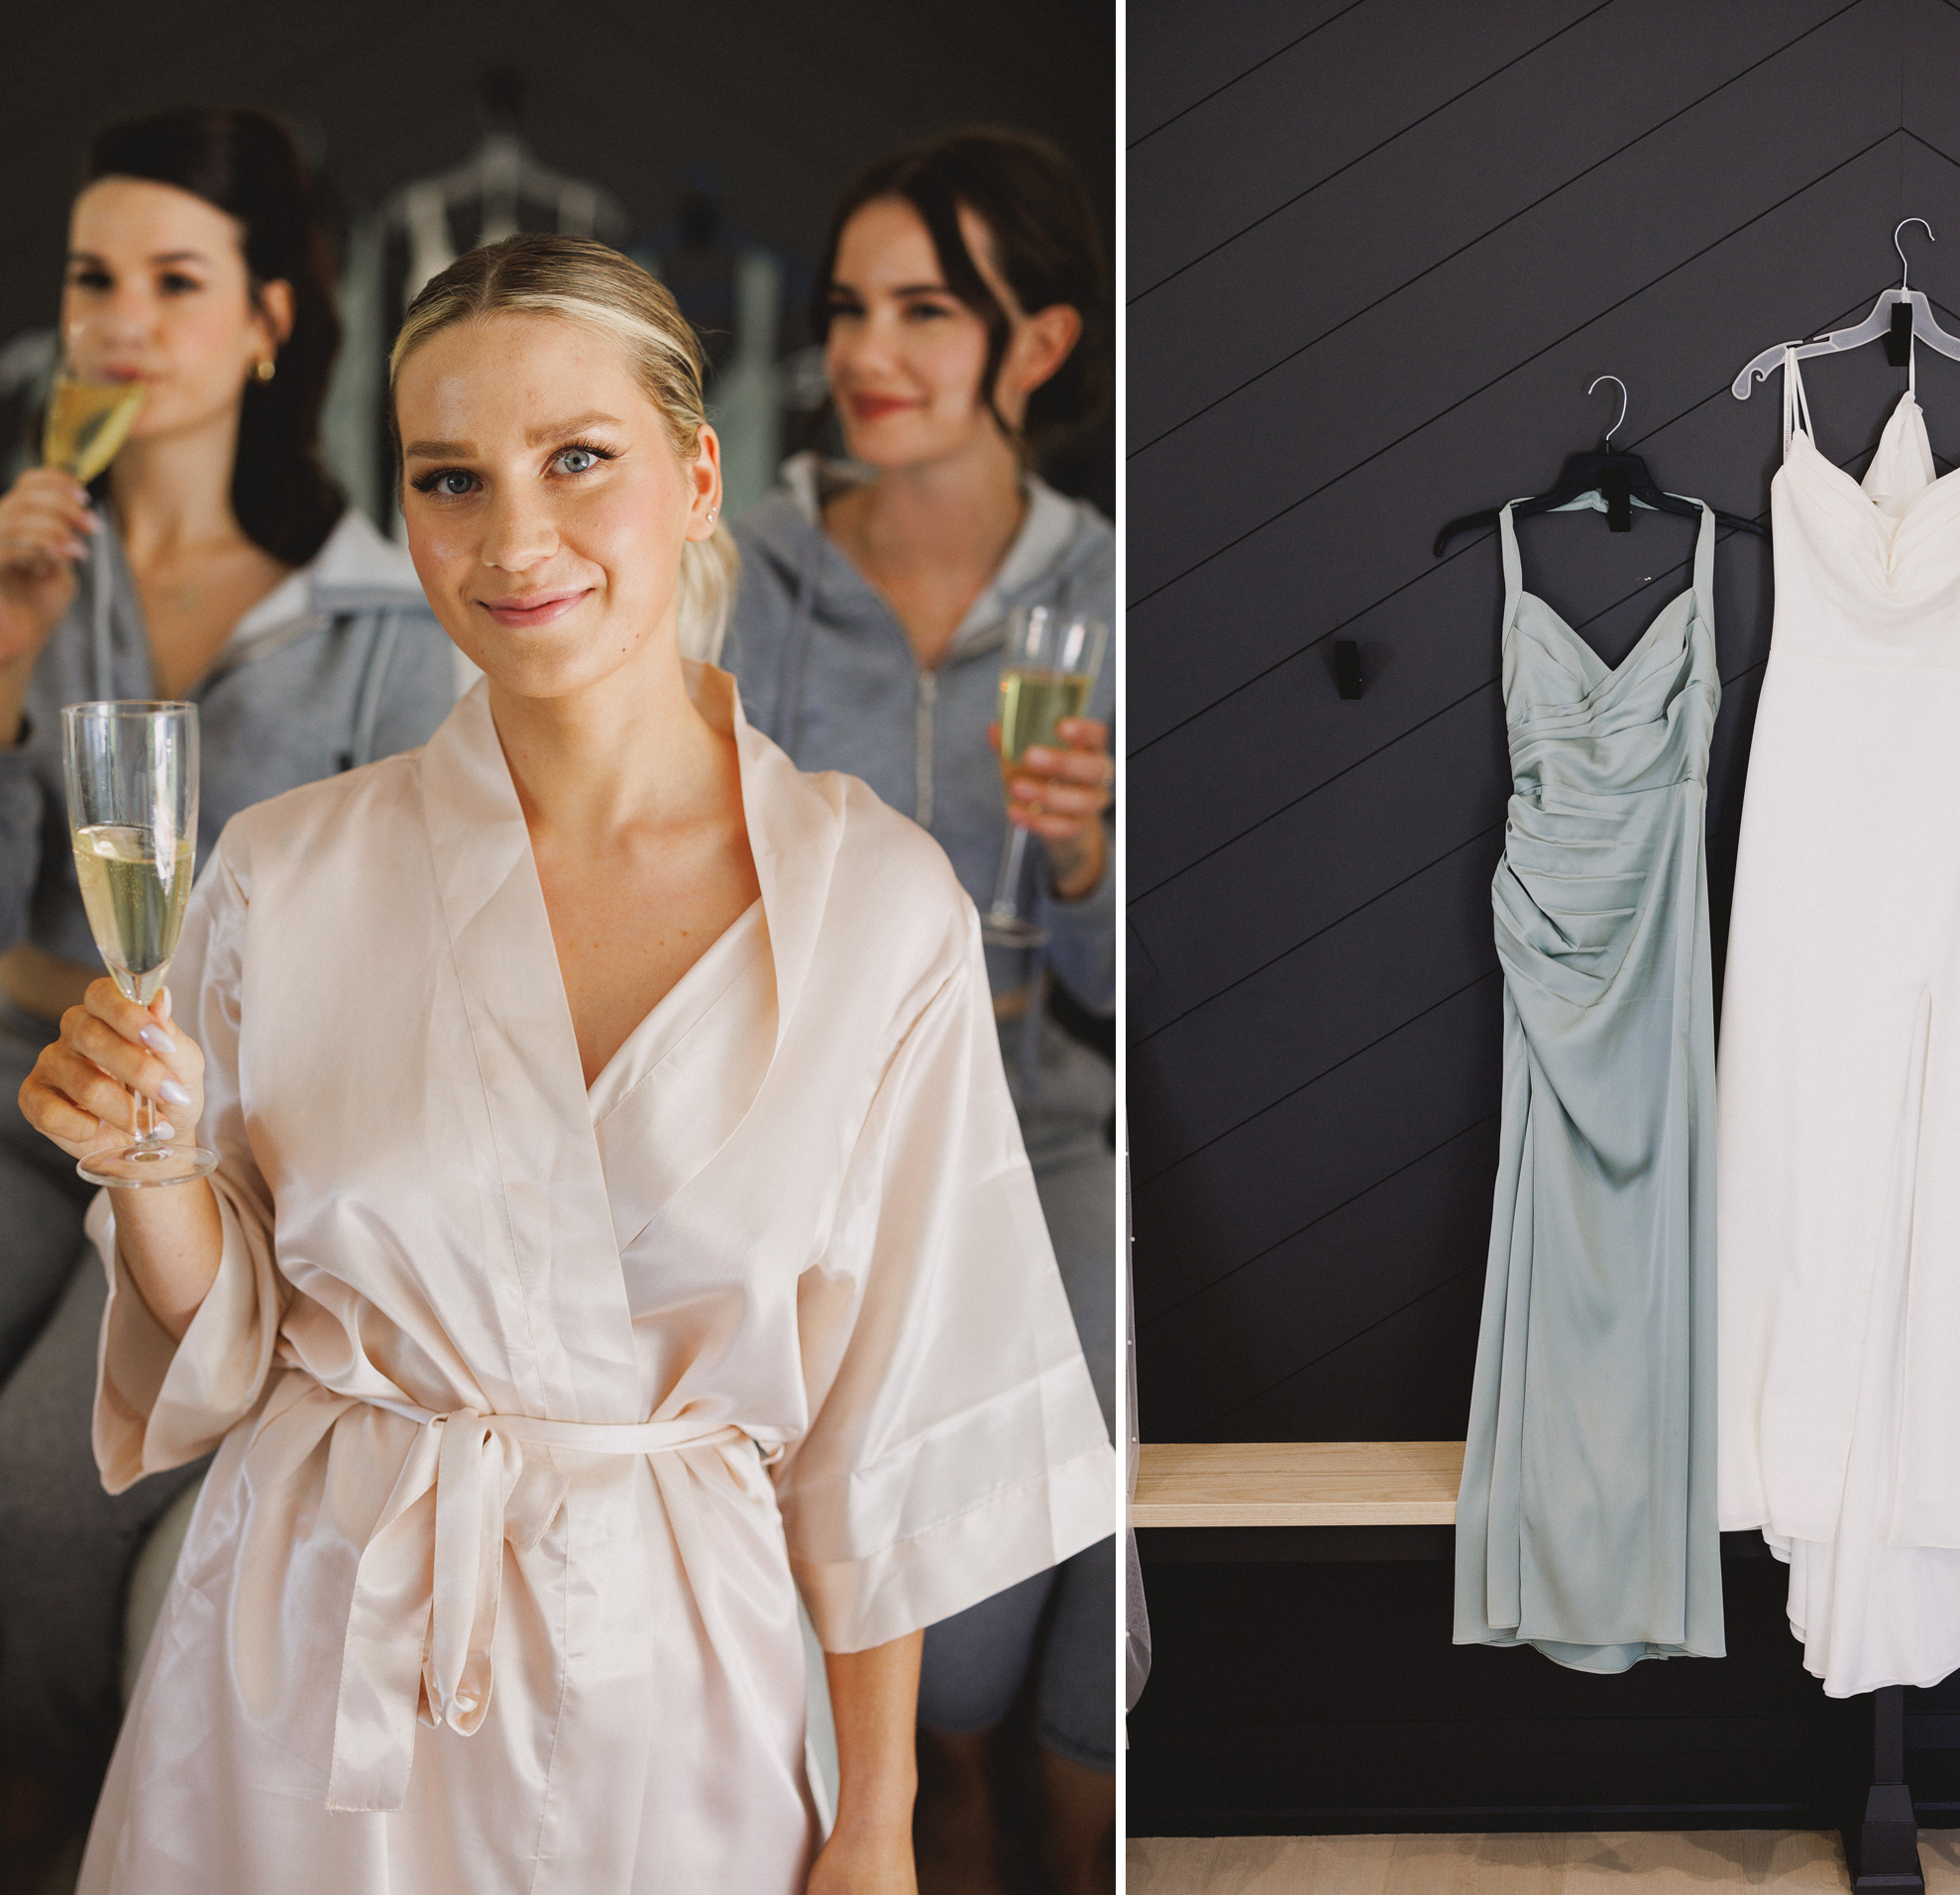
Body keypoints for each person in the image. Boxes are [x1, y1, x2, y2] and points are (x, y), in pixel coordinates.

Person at [18, 232, 1112, 1895]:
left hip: (672, 1692)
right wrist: (146, 1166)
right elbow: (228, 1352)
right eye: (450, 478)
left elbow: (887, 1424)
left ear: (695, 478)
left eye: (577, 460)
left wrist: (878, 1818)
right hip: (302, 1670)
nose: (513, 539)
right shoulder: (281, 872)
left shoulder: (873, 907)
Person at [0, 107, 457, 1895]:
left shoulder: (384, 620)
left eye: (174, 282)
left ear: (272, 319)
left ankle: (42, 1777)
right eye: (91, 278)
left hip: (225, 1136)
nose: (120, 321)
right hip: (0, 1083)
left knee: (47, 1500)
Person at [719, 127, 1117, 1895]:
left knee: (1112, 1528)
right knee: (949, 1645)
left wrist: (1095, 865)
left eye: (925, 310)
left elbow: (1139, 1005)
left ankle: (1069, 1818)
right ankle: (944, 1780)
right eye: (850, 309)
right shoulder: (740, 579)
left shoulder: (1107, 596)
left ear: (1038, 343)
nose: (867, 353)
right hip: (817, 1147)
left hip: (1055, 1130)